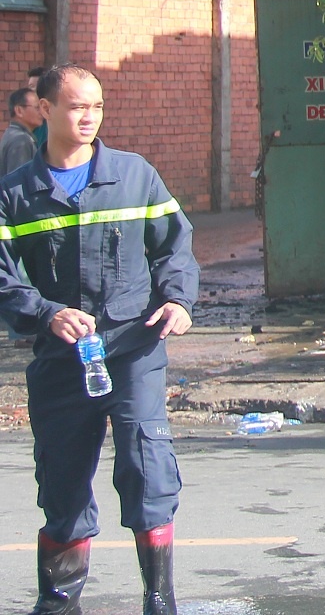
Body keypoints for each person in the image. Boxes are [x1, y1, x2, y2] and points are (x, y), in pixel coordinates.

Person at [0, 64, 197, 615]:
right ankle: (58, 603)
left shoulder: (134, 176)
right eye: (76, 106)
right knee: (62, 483)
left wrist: (178, 300)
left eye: (98, 107)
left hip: (134, 347)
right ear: (45, 109)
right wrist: (43, 313)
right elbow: (3, 277)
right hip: (63, 359)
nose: (89, 117)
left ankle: (159, 601)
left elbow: (174, 247)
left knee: (146, 469)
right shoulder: (16, 194)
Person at [2, 87, 42, 174]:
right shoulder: (21, 140)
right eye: (37, 108)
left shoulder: (11, 133)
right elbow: (18, 182)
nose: (41, 112)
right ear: (19, 110)